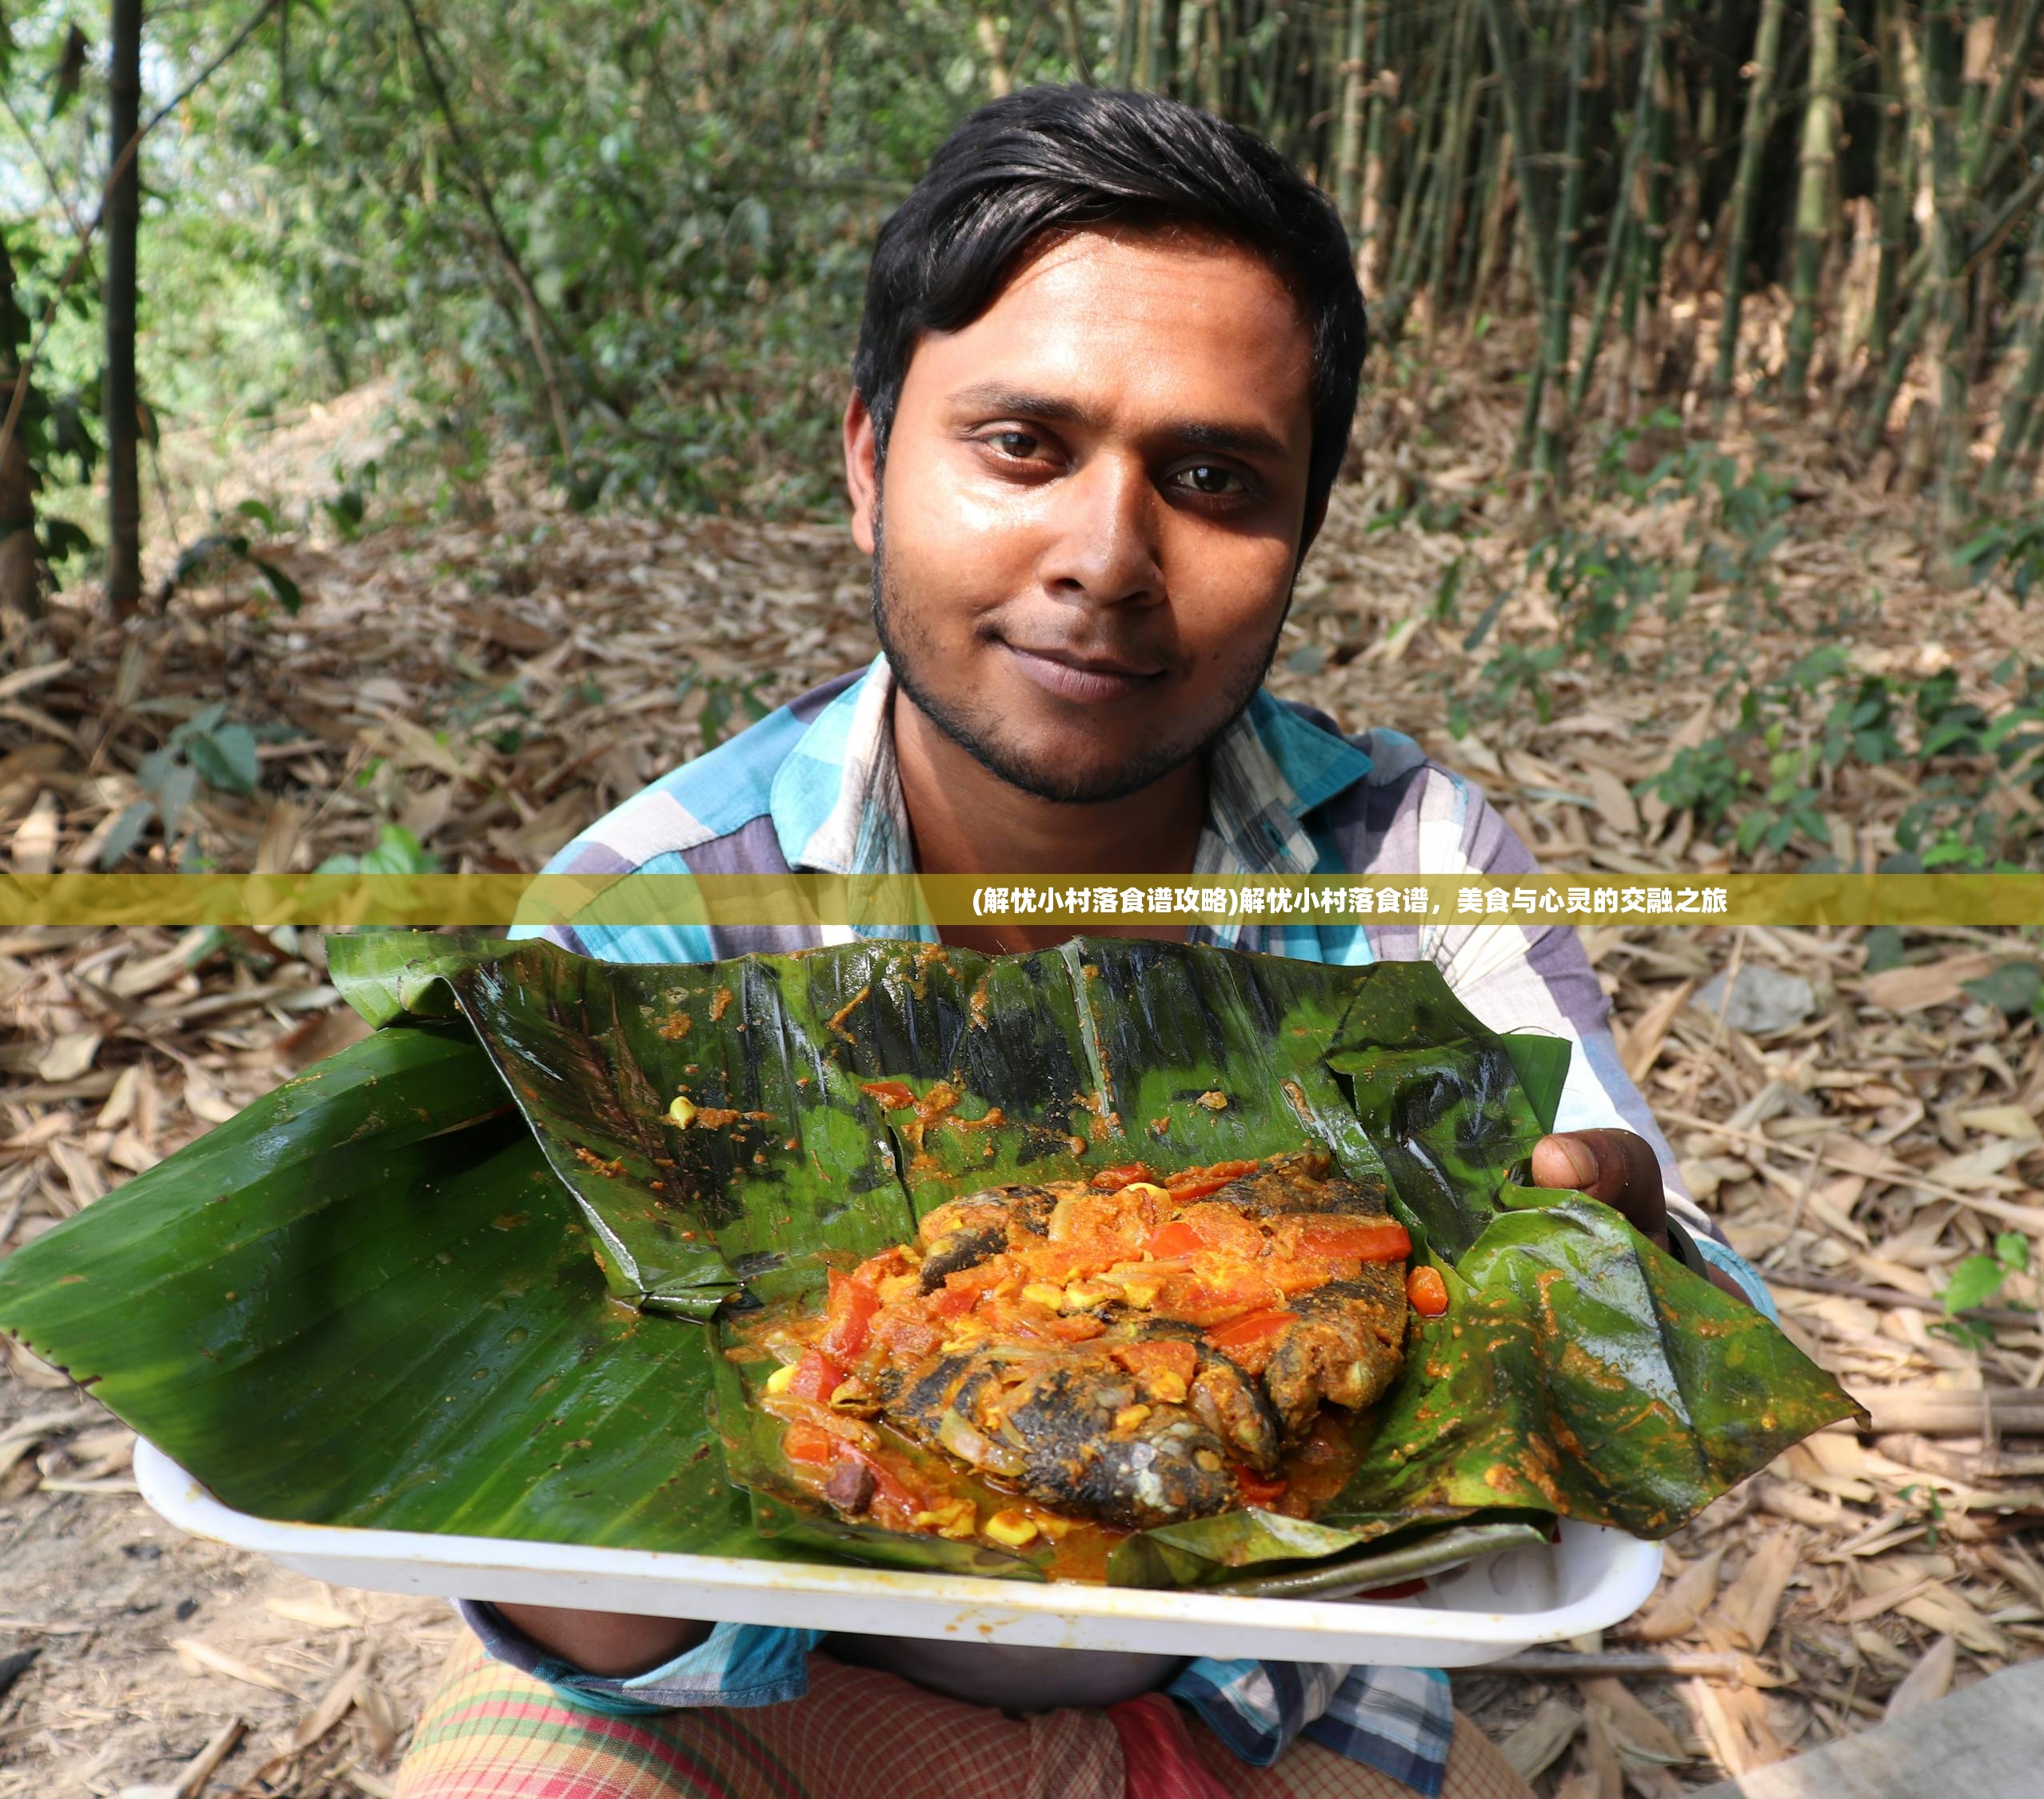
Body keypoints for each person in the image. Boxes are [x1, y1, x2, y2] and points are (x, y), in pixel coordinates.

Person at [398, 84, 1770, 1799]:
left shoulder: (1406, 862)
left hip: (1271, 1696)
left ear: (1302, 533)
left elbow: (1655, 1307)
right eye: (1020, 446)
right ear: (864, 460)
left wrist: (1604, 1273)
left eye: (1210, 477)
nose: (1108, 559)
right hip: (745, 1695)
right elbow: (584, 1570)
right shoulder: (654, 910)